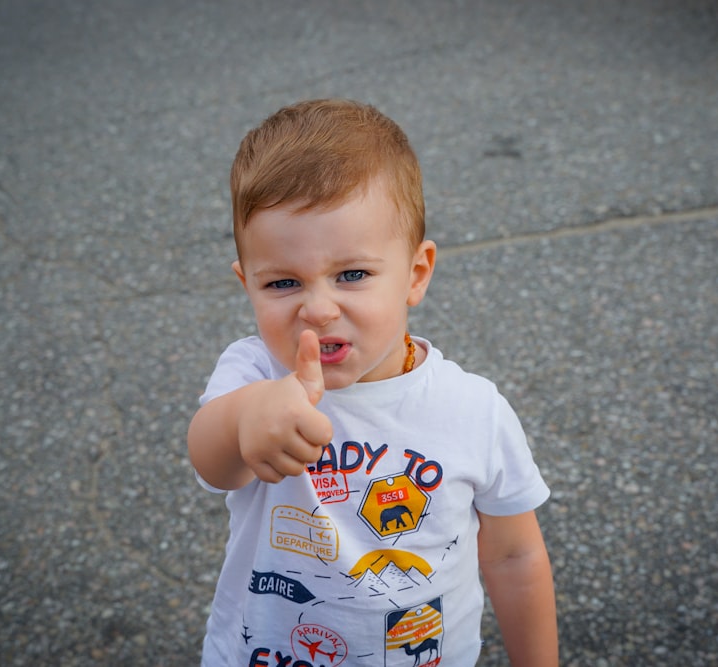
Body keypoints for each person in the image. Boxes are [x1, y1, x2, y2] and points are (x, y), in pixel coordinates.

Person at [187, 98, 557, 666]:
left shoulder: (471, 408)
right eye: (282, 283)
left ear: (415, 274)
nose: (317, 308)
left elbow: (513, 558)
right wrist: (246, 417)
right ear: (246, 284)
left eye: (352, 274)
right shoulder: (255, 372)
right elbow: (212, 461)